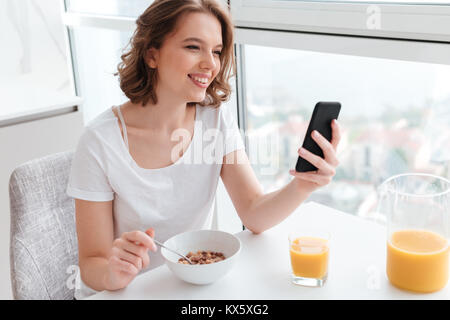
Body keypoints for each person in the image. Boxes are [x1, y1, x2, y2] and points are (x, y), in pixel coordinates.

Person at [66, 0, 341, 300]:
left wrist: (302, 185)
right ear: (151, 54)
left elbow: (254, 214)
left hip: (190, 292)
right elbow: (91, 263)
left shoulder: (215, 119)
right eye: (193, 47)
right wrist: (112, 272)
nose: (210, 64)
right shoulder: (99, 141)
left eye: (217, 51)